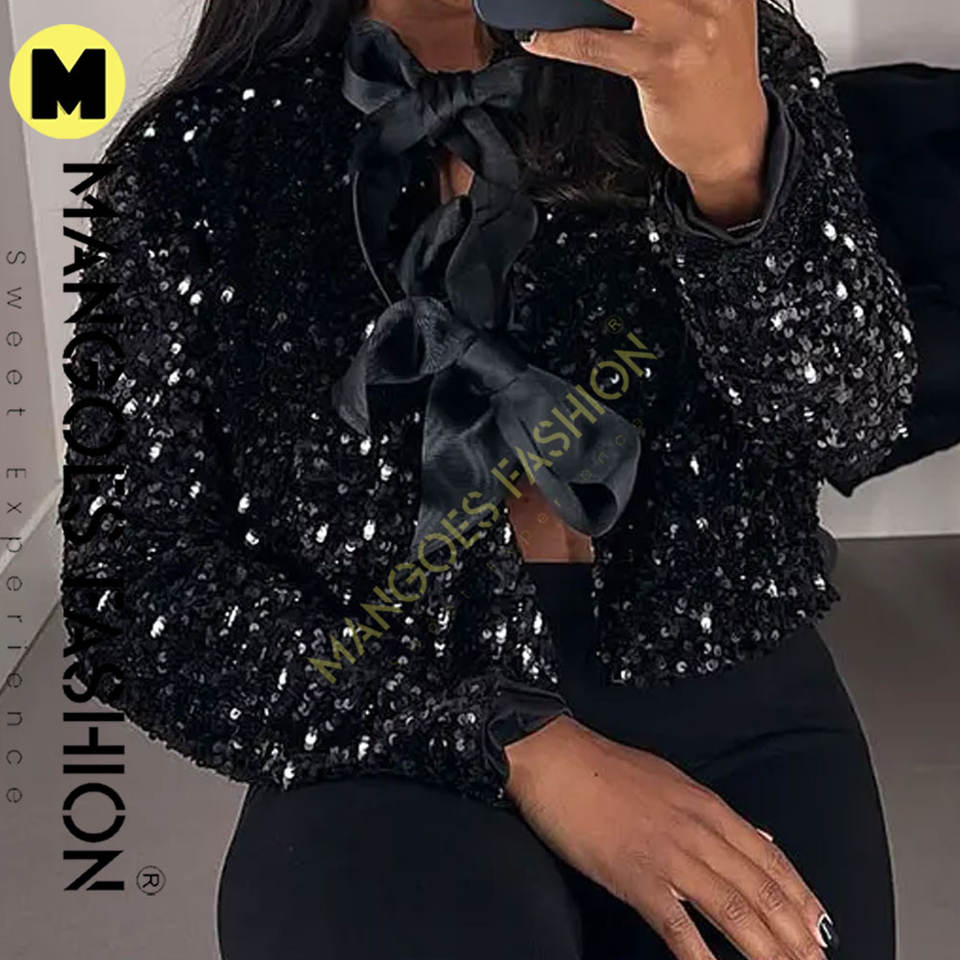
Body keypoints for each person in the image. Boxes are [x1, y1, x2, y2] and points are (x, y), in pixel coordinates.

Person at [58, 1, 917, 958]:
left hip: (734, 700)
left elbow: (852, 425)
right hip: (383, 721)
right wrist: (503, 741)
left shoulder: (723, 46)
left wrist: (734, 175)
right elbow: (132, 586)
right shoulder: (195, 156)